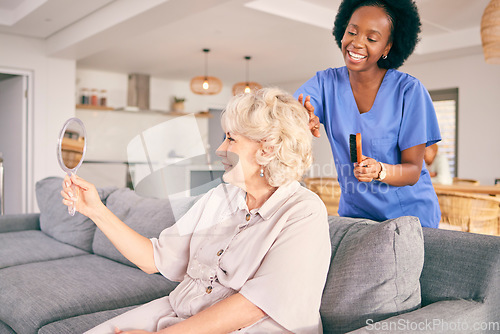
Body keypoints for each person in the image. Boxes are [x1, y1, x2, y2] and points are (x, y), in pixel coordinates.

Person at [61, 87, 331, 334]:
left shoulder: (303, 211)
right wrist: (96, 210)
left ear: (267, 149)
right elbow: (151, 259)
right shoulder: (220, 198)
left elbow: (254, 306)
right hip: (183, 315)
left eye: (230, 139)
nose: (220, 149)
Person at [294, 0, 441, 228]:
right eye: (351, 32)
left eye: (371, 39)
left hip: (410, 218)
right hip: (356, 216)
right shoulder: (326, 83)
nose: (357, 43)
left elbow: (412, 170)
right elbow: (293, 109)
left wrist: (380, 170)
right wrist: (302, 118)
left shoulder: (409, 91)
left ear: (387, 47)